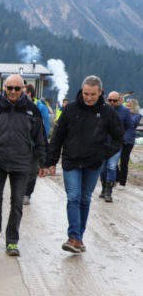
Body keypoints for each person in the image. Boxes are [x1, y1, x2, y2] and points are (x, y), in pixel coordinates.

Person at [48, 75, 124, 253]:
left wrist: (104, 153)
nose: (89, 98)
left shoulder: (107, 112)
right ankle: (73, 237)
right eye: (86, 94)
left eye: (93, 94)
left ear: (100, 93)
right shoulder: (70, 109)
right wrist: (51, 161)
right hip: (71, 161)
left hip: (93, 163)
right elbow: (57, 136)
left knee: (84, 199)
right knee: (73, 197)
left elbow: (118, 138)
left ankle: (78, 238)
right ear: (81, 91)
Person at [0, 74, 48, 257]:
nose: (13, 92)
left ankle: (12, 241)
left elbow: (40, 137)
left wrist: (43, 162)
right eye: (10, 88)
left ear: (23, 89)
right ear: (4, 88)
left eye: (17, 88)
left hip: (22, 162)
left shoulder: (32, 110)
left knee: (17, 203)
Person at [99, 91, 132, 202]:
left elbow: (129, 127)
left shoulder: (125, 111)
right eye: (110, 100)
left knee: (112, 167)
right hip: (102, 144)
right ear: (107, 100)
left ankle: (109, 192)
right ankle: (103, 188)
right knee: (103, 168)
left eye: (114, 100)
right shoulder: (102, 109)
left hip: (116, 144)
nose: (112, 102)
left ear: (119, 100)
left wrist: (124, 139)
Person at [23, 83, 51, 205]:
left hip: (34, 145)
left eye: (22, 90)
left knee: (32, 171)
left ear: (29, 93)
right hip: (20, 145)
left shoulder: (40, 107)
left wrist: (43, 145)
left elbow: (45, 127)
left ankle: (27, 193)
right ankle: (19, 192)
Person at [118, 98, 141, 187]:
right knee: (113, 160)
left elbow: (132, 123)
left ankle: (122, 182)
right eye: (126, 104)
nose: (127, 106)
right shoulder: (123, 114)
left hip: (128, 141)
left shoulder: (137, 115)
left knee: (124, 161)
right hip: (119, 139)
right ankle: (117, 177)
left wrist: (126, 113)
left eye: (129, 105)